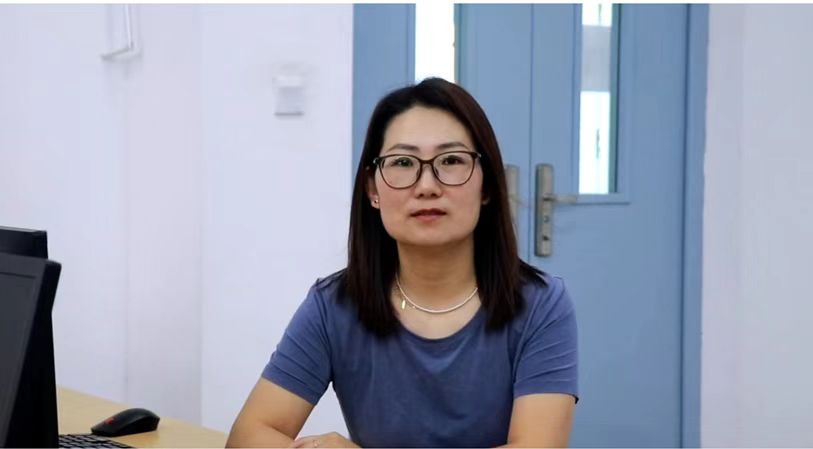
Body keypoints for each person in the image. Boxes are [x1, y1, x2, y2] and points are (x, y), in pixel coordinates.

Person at [226, 78, 578, 448]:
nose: (427, 186)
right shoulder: (334, 305)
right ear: (372, 190)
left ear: (487, 185)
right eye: (403, 162)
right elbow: (247, 436)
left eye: (451, 160)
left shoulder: (541, 304)